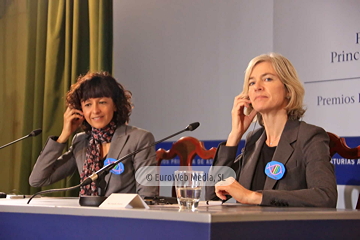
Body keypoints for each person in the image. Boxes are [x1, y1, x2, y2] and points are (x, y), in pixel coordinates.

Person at [206, 53, 337, 207]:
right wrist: (235, 135)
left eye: (267, 79)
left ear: (288, 89)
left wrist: (253, 197)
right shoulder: (254, 140)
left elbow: (325, 197)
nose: (257, 87)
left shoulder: (309, 136)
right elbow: (213, 197)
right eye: (251, 83)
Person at [29, 72, 158, 198]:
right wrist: (64, 135)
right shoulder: (80, 142)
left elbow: (148, 195)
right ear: (80, 110)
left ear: (115, 105)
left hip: (124, 217)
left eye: (102, 102)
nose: (95, 110)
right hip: (88, 215)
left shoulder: (139, 139)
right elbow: (38, 180)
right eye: (88, 104)